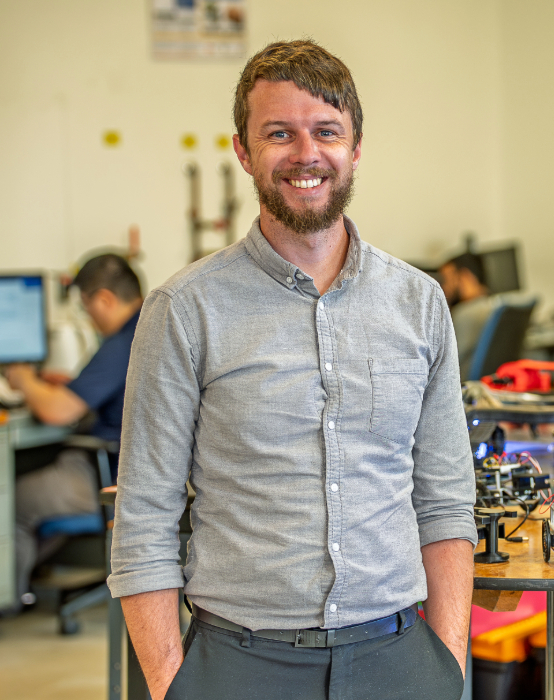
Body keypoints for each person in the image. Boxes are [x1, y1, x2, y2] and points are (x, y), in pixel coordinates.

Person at [108, 40, 476, 700]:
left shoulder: (418, 303)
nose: (306, 154)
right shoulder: (184, 310)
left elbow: (445, 503)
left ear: (355, 146)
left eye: (326, 132)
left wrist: (448, 664)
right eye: (280, 133)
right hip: (240, 665)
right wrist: (172, 684)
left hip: (397, 659)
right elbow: (143, 522)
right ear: (244, 151)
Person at [4, 254, 142, 609]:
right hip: (136, 468)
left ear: (105, 300)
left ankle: (12, 601)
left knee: (14, 501)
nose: (89, 318)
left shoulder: (122, 343)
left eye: (87, 308)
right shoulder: (149, 326)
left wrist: (24, 380)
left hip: (110, 472)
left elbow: (56, 411)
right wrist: (69, 385)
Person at [438, 251, 495, 380]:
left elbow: (443, 368)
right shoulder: (493, 306)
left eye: (447, 280)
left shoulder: (465, 314)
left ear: (465, 277)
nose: (445, 288)